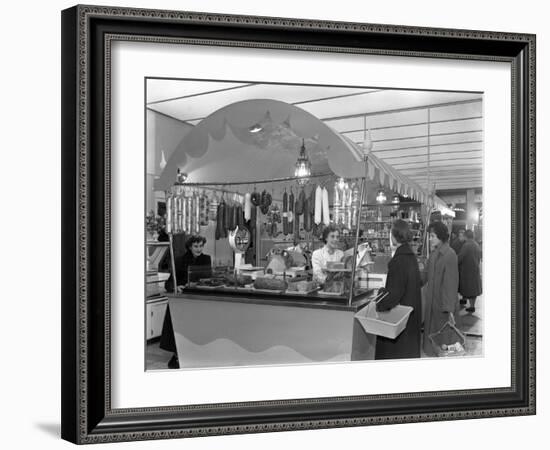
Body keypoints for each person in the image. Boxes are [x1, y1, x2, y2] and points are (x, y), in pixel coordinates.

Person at [161, 235, 212, 369]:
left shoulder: (206, 259)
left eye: (201, 246)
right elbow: (170, 282)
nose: (199, 249)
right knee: (179, 329)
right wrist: (176, 287)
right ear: (190, 247)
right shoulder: (180, 260)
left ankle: (195, 354)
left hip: (199, 299)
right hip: (182, 300)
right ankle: (177, 355)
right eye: (196, 246)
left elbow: (209, 278)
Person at [375, 220, 422, 360]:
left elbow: (392, 295)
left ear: (394, 236)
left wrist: (379, 297)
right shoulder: (411, 257)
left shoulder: (398, 261)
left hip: (400, 323)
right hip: (410, 317)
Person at [422, 221, 459, 356]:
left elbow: (451, 284)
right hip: (432, 305)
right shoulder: (433, 254)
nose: (430, 239)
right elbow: (424, 276)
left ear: (441, 236)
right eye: (430, 236)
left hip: (443, 307)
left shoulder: (450, 255)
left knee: (445, 343)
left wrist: (450, 310)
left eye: (432, 236)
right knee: (433, 341)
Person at [458, 229, 482, 313]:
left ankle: (471, 306)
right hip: (475, 270)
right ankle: (472, 306)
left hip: (467, 271)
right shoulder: (476, 245)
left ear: (466, 236)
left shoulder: (466, 245)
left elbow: (460, 257)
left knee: (469, 289)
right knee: (473, 289)